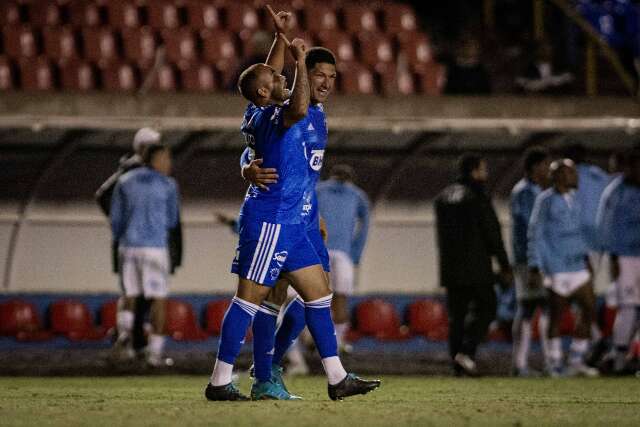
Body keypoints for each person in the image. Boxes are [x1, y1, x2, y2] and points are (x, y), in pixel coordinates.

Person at [204, 18, 379, 402]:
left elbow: (267, 80)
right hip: (272, 217)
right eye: (318, 74)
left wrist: (281, 38)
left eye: (332, 76)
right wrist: (298, 61)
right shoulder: (280, 112)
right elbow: (284, 99)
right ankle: (228, 380)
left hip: (299, 218)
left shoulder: (273, 105)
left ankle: (336, 377)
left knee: (319, 295)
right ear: (267, 92)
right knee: (252, 300)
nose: (325, 83)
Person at [96, 128, 183, 361]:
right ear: (154, 158)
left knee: (129, 294)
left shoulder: (124, 181)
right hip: (155, 247)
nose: (168, 162)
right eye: (165, 157)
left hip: (128, 246)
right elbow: (172, 220)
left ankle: (124, 337)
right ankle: (155, 355)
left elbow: (115, 220)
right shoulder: (168, 185)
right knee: (158, 299)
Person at [435, 153, 512, 376]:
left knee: (456, 316)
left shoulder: (444, 196)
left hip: (450, 267)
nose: (485, 174)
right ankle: (467, 353)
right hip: (476, 266)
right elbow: (492, 231)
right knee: (488, 307)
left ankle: (457, 362)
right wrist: (504, 264)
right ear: (475, 171)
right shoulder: (477, 195)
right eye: (483, 169)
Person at [527, 159, 599, 377]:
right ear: (558, 176)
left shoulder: (575, 199)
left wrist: (586, 256)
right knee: (557, 315)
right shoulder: (545, 201)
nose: (575, 176)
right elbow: (535, 234)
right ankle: (555, 363)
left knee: (589, 308)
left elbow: (580, 232)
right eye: (570, 173)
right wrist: (535, 266)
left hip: (577, 264)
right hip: (556, 267)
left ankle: (576, 360)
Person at [316, 164, 370, 349]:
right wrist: (355, 252)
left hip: (318, 251)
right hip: (342, 253)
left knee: (312, 299)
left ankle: (314, 342)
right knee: (340, 299)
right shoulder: (358, 195)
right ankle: (336, 344)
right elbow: (365, 226)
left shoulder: (318, 190)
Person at [597, 148, 640, 374]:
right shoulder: (616, 192)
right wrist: (612, 257)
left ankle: (631, 357)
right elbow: (605, 227)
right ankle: (619, 359)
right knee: (628, 308)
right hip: (624, 257)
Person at [510, 147, 551, 376]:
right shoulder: (526, 192)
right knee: (532, 307)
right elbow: (531, 228)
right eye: (546, 165)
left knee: (535, 308)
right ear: (535, 167)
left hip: (530, 258)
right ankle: (524, 364)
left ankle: (527, 362)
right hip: (528, 259)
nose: (548, 169)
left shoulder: (532, 190)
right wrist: (535, 262)